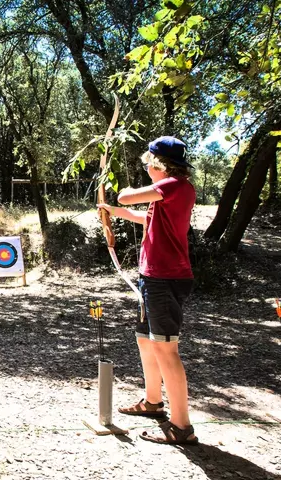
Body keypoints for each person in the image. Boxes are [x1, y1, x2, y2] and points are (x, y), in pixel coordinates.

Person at [97, 136, 198, 445]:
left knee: (166, 348)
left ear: (157, 164)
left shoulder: (172, 186)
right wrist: (111, 211)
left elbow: (129, 197)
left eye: (147, 164)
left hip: (165, 278)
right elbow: (146, 217)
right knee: (146, 341)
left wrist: (119, 196)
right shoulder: (173, 192)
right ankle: (153, 402)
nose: (146, 170)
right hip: (153, 277)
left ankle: (181, 426)